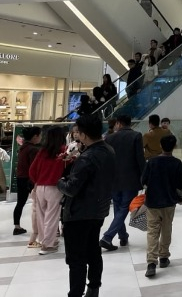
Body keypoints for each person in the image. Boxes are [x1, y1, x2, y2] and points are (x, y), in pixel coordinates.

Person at [58, 114, 116, 297]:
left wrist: (59, 181)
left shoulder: (87, 157)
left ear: (83, 135)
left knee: (76, 258)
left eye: (77, 132)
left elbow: (71, 189)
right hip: (99, 210)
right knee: (93, 251)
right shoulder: (109, 150)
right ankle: (94, 288)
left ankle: (75, 293)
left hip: (78, 213)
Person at [142, 134, 182, 278]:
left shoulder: (152, 162)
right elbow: (180, 185)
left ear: (160, 146)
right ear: (174, 147)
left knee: (152, 231)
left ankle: (151, 263)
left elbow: (143, 180)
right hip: (169, 202)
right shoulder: (177, 163)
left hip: (153, 202)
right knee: (166, 229)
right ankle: (164, 257)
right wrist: (181, 198)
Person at [100, 115, 146, 251]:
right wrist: (144, 177)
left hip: (113, 179)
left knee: (118, 207)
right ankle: (107, 237)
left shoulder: (109, 138)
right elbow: (140, 158)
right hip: (131, 179)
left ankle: (123, 235)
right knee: (124, 207)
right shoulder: (136, 136)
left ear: (119, 123)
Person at [28, 126, 66, 255]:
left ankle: (45, 241)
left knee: (42, 216)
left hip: (40, 187)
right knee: (52, 216)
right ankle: (48, 245)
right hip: (55, 187)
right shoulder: (63, 152)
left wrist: (37, 181)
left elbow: (32, 170)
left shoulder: (42, 151)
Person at [13, 126, 41, 236]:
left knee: (20, 202)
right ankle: (38, 228)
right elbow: (34, 167)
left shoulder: (23, 147)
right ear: (35, 137)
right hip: (29, 179)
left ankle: (17, 226)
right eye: (40, 135)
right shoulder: (33, 149)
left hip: (20, 178)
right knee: (37, 204)